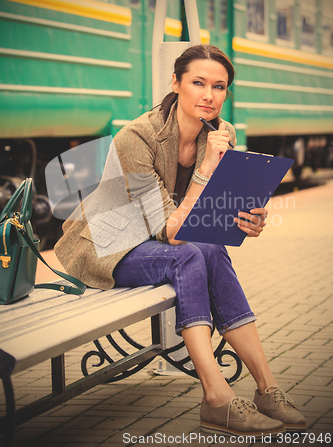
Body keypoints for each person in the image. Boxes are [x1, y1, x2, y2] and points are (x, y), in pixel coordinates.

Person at [55, 44, 306, 438]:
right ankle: (216, 398)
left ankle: (268, 388)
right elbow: (172, 231)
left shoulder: (220, 134)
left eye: (219, 87)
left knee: (211, 247)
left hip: (159, 238)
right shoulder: (135, 137)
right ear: (176, 83)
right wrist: (205, 170)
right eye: (198, 83)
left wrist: (246, 219)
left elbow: (207, 217)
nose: (209, 95)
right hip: (107, 244)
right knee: (188, 255)